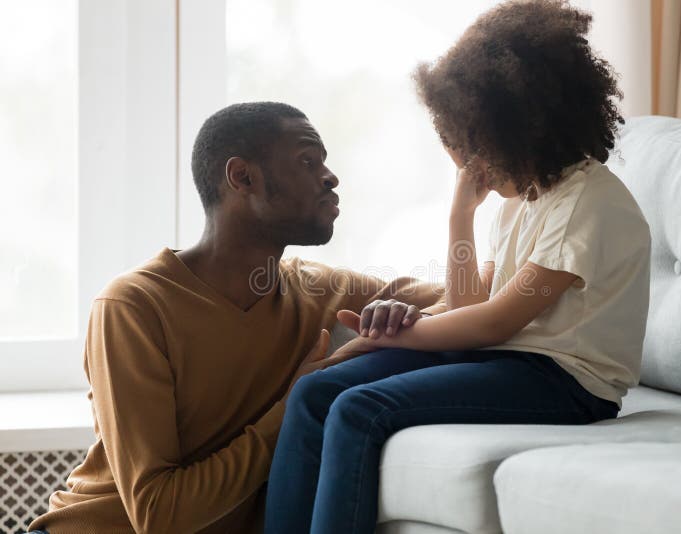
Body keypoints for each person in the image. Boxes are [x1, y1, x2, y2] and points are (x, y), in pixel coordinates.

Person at [264, 1, 652, 533]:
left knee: (360, 410)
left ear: (522, 131)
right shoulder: (528, 199)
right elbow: (470, 304)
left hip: (566, 383)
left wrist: (403, 336)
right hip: (507, 361)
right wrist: (461, 214)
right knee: (314, 394)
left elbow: (495, 323)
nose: (474, 171)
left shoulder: (588, 205)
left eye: (478, 155)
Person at [28, 102, 444, 534]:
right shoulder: (133, 307)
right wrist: (295, 404)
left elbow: (471, 301)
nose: (331, 177)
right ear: (242, 177)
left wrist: (409, 315)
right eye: (308, 160)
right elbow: (159, 516)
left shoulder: (324, 291)